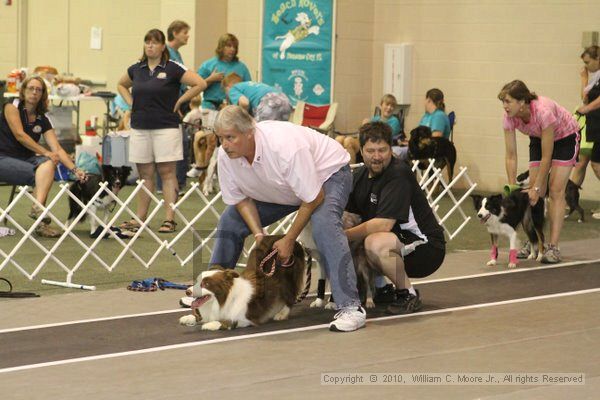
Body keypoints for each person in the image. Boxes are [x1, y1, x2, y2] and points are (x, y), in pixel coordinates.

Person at [209, 105, 366, 332]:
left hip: (328, 174)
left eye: (230, 137)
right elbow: (241, 200)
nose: (224, 145)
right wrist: (259, 235)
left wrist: (289, 239)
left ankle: (351, 307)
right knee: (230, 221)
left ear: (249, 132)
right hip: (284, 186)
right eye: (220, 138)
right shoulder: (226, 155)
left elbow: (313, 197)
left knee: (323, 225)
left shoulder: (284, 147)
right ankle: (214, 291)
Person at [344, 121, 445, 315]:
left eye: (382, 150)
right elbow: (347, 212)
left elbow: (384, 224)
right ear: (361, 151)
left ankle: (409, 295)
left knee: (374, 241)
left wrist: (343, 235)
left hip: (426, 249)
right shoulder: (358, 176)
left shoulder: (398, 173)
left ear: (391, 149)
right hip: (400, 243)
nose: (376, 157)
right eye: (370, 150)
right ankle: (381, 289)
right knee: (363, 238)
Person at [117, 28, 206, 233]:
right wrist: (131, 104)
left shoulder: (173, 68)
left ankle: (169, 218)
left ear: (163, 46)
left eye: (155, 42)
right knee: (145, 174)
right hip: (140, 127)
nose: (150, 45)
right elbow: (121, 85)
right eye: (147, 41)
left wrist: (181, 100)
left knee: (167, 173)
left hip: (166, 127)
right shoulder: (136, 68)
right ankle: (140, 218)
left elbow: (199, 83)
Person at [499, 80, 580, 263]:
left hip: (565, 137)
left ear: (522, 102)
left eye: (508, 101)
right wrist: (512, 187)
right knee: (531, 193)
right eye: (503, 101)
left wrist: (537, 188)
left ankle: (553, 247)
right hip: (538, 137)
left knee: (555, 190)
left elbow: (547, 155)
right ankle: (534, 242)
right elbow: (511, 155)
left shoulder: (543, 112)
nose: (504, 106)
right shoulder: (508, 117)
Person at [0, 76, 86, 237]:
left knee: (48, 165)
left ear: (42, 95)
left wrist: (75, 169)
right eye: (31, 88)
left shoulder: (43, 119)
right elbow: (20, 135)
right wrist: (45, 152)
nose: (34, 92)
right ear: (23, 91)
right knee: (43, 173)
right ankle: (40, 223)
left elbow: (58, 149)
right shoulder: (12, 105)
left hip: (25, 160)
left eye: (38, 90)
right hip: (3, 158)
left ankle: (37, 208)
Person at [156, 20, 192, 193]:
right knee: (169, 144)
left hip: (178, 104)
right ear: (175, 33)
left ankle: (175, 182)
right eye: (185, 32)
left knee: (179, 144)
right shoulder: (167, 54)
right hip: (168, 106)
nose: (188, 36)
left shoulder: (177, 54)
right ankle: (164, 184)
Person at [336, 94, 402, 164]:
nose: (389, 108)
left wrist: (367, 126)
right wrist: (364, 126)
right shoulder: (375, 118)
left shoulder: (394, 121)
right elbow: (363, 133)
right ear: (381, 105)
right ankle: (336, 168)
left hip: (373, 144)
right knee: (339, 139)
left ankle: (350, 170)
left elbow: (384, 137)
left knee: (348, 141)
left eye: (392, 106)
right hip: (364, 141)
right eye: (387, 104)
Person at [574, 46, 600, 219]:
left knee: (597, 165)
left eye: (588, 62)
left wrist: (587, 108)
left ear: (598, 58)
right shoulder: (595, 77)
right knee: (595, 164)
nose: (586, 66)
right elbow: (584, 98)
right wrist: (583, 78)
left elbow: (593, 102)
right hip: (594, 126)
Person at [197, 33, 251, 110]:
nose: (232, 49)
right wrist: (210, 79)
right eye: (229, 46)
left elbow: (248, 89)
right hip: (210, 106)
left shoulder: (242, 67)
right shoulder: (208, 65)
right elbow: (195, 88)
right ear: (221, 47)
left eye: (234, 47)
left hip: (233, 108)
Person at [222, 73, 292, 122]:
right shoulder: (249, 85)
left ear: (227, 87)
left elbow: (244, 103)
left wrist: (244, 120)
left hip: (269, 102)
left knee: (260, 134)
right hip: (285, 101)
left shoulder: (233, 89)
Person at [185, 96, 218, 183]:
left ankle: (200, 166)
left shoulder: (192, 113)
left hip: (198, 134)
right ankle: (202, 168)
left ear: (190, 104)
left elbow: (184, 123)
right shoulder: (202, 111)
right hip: (205, 132)